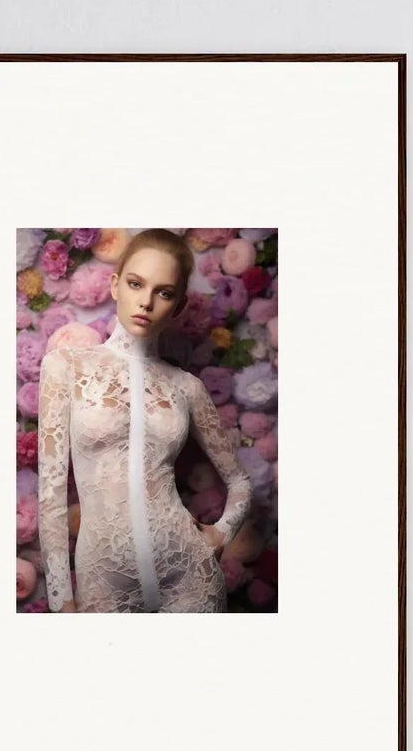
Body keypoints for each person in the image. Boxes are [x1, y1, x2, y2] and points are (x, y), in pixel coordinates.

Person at [36, 228, 252, 613]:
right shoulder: (65, 367)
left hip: (189, 575)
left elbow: (240, 481)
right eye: (136, 284)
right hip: (104, 580)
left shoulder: (187, 387)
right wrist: (59, 601)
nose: (147, 302)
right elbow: (51, 496)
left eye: (164, 292)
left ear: (179, 305)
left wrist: (222, 533)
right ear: (116, 285)